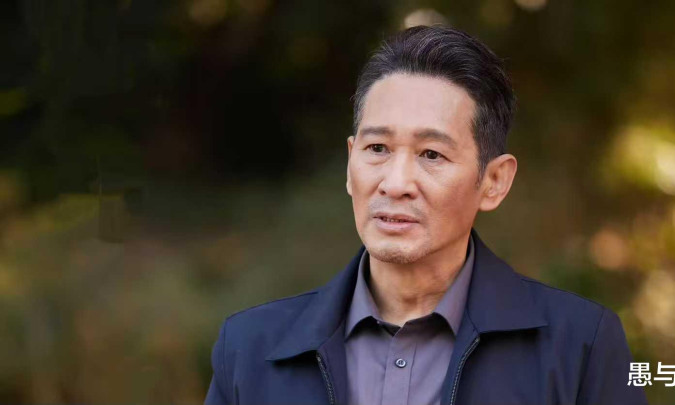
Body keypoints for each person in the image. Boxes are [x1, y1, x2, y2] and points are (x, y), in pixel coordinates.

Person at [204, 25, 648, 405]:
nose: (395, 183)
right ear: (350, 162)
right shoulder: (248, 349)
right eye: (377, 148)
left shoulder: (581, 347)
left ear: (494, 181)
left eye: (431, 154)